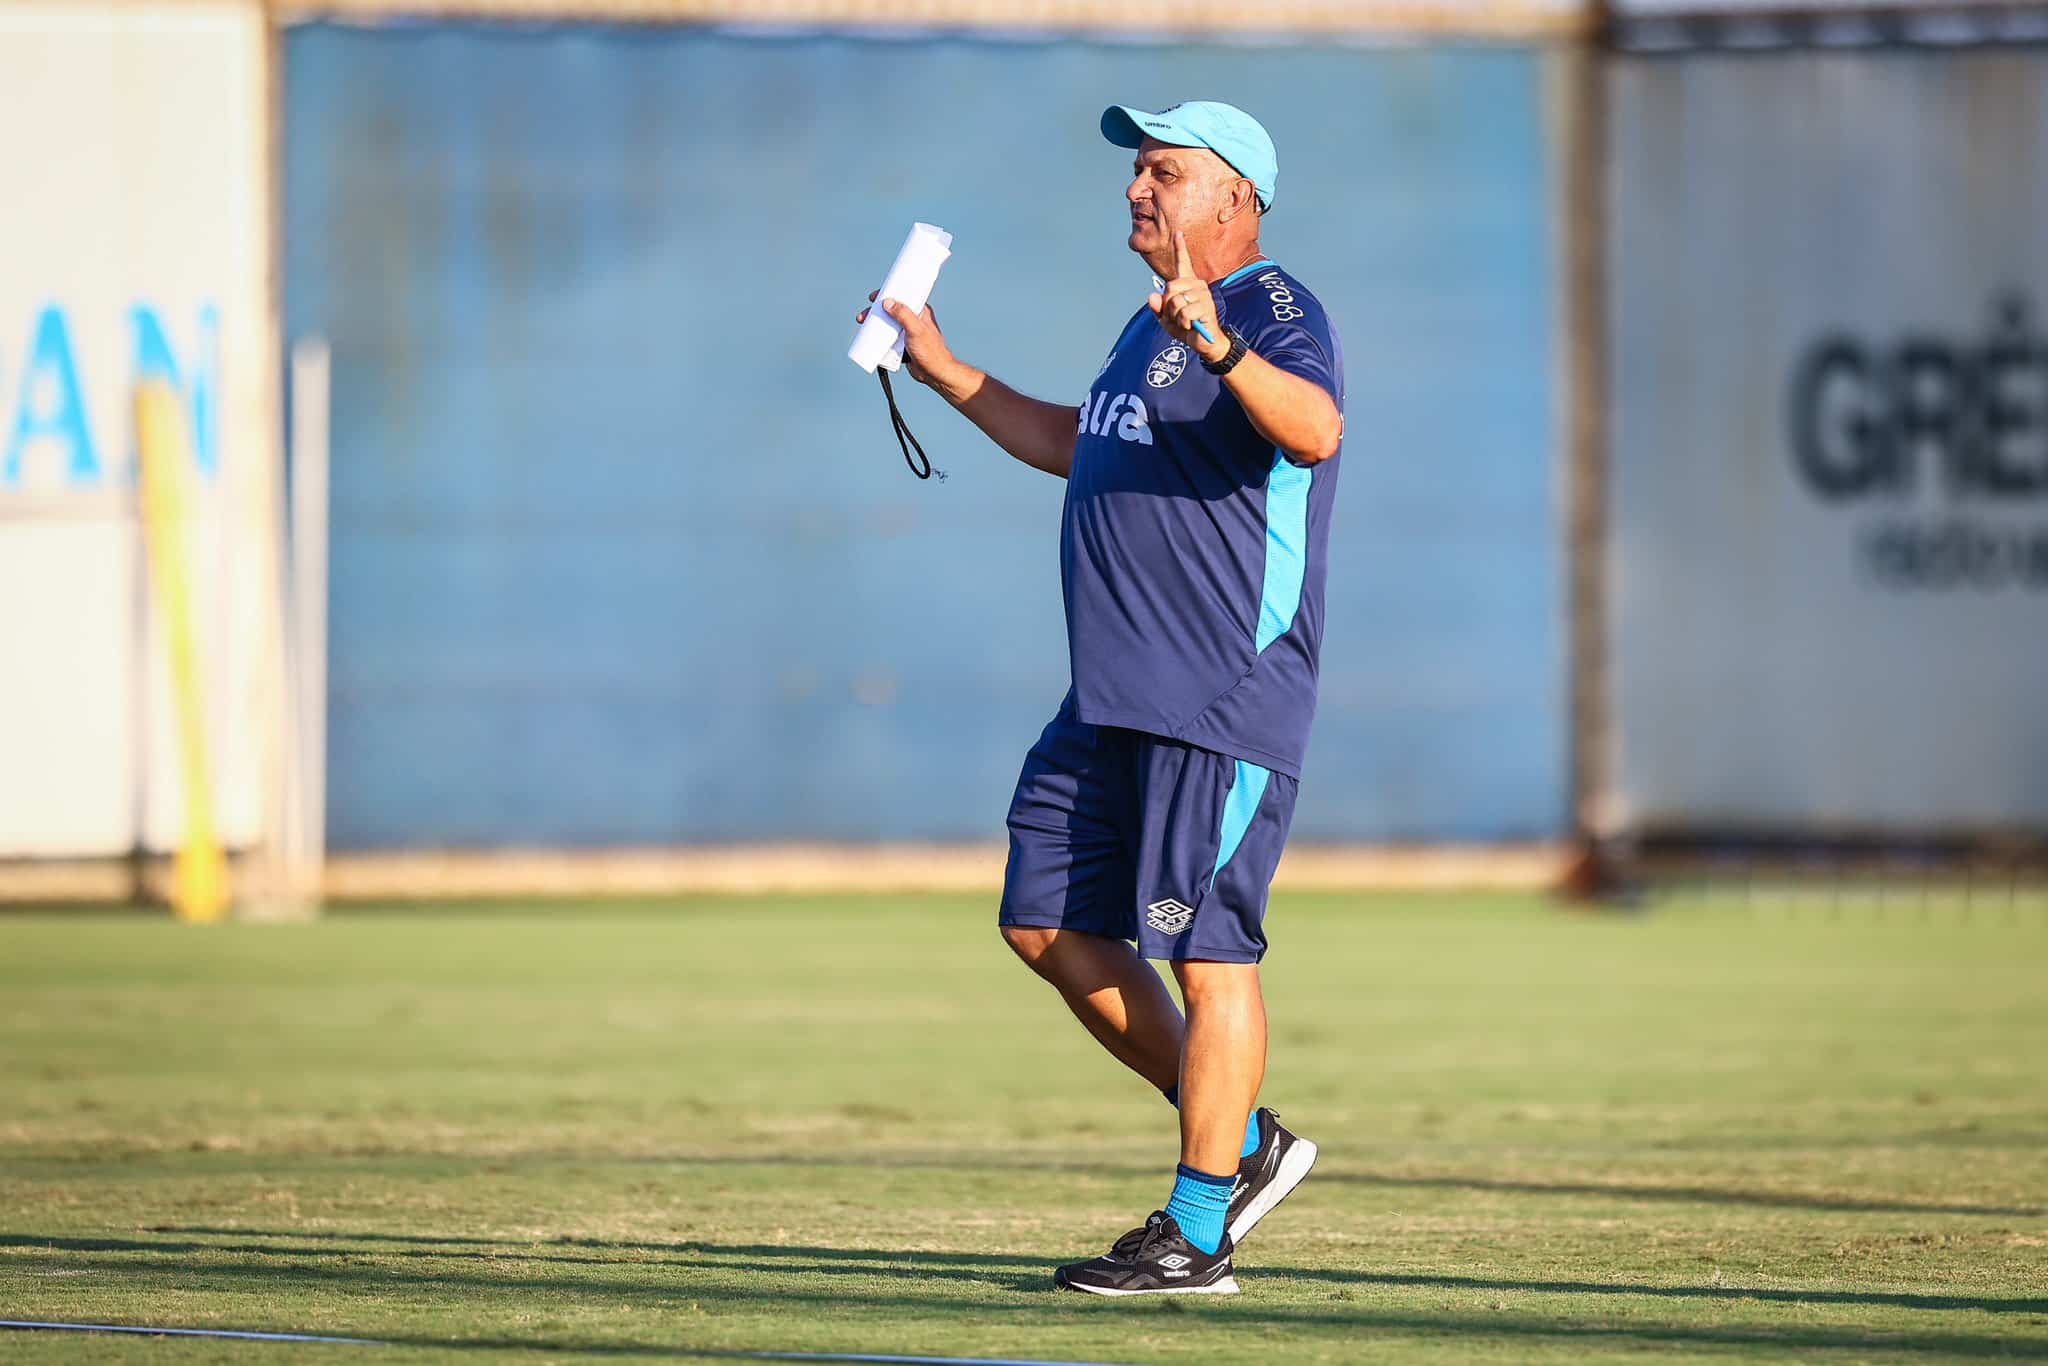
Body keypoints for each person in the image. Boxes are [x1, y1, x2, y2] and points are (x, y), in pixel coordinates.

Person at [855, 100, 1343, 1297]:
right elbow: (1083, 440)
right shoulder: (1147, 325)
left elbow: (1315, 429)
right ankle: (1240, 1144)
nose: (1137, 189)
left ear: (1232, 198)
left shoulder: (1272, 308)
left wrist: (1222, 345)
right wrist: (947, 371)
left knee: (1207, 957)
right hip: (1112, 696)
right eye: (1135, 170)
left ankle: (1197, 1228)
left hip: (1216, 697)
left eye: (1163, 171)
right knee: (1043, 922)